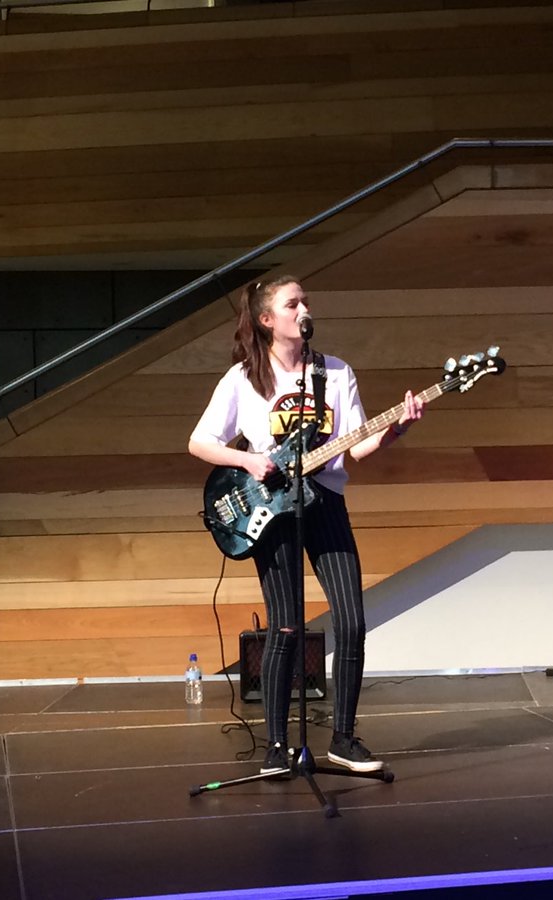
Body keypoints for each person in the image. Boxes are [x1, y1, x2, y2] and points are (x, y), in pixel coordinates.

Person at [188, 275, 423, 775]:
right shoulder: (243, 379)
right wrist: (250, 463)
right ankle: (276, 746)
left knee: (353, 622)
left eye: (306, 301)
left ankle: (343, 738)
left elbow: (355, 446)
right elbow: (201, 442)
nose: (303, 309)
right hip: (271, 511)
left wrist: (396, 426)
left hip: (325, 502)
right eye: (291, 303)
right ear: (266, 320)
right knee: (287, 628)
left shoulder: (335, 373)